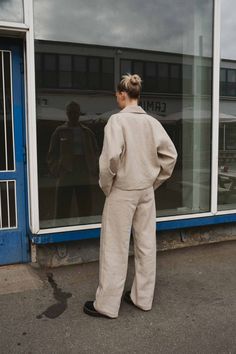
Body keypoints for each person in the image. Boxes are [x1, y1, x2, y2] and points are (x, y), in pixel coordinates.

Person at [83, 74, 177, 318]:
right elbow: (171, 156)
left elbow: (110, 160)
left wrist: (107, 186)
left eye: (117, 94)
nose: (117, 98)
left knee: (115, 245)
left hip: (122, 191)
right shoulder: (152, 123)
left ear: (122, 94)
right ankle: (142, 298)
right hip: (145, 191)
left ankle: (107, 305)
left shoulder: (117, 121)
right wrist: (154, 182)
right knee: (146, 244)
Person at [47, 101, 99, 220]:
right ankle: (60, 231)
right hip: (66, 172)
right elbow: (51, 154)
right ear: (67, 114)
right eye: (71, 112)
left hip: (83, 171)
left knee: (85, 204)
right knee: (62, 205)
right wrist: (56, 169)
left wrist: (94, 166)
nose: (73, 115)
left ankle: (85, 228)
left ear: (79, 114)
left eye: (75, 112)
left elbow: (96, 151)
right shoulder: (59, 131)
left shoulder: (87, 132)